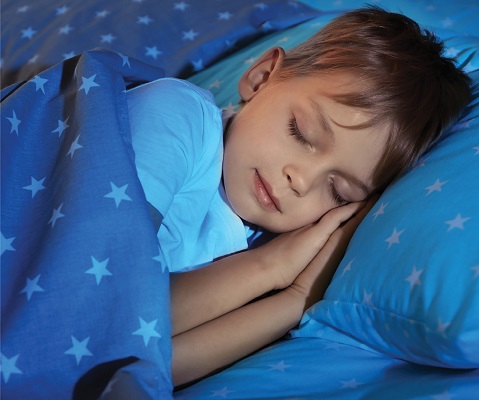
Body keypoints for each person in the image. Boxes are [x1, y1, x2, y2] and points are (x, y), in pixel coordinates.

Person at [125, 6, 471, 387]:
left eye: (338, 191)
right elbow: (109, 315)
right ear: (261, 77)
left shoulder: (263, 242)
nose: (301, 181)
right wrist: (270, 266)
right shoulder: (178, 116)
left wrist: (297, 296)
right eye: (301, 132)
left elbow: (148, 367)